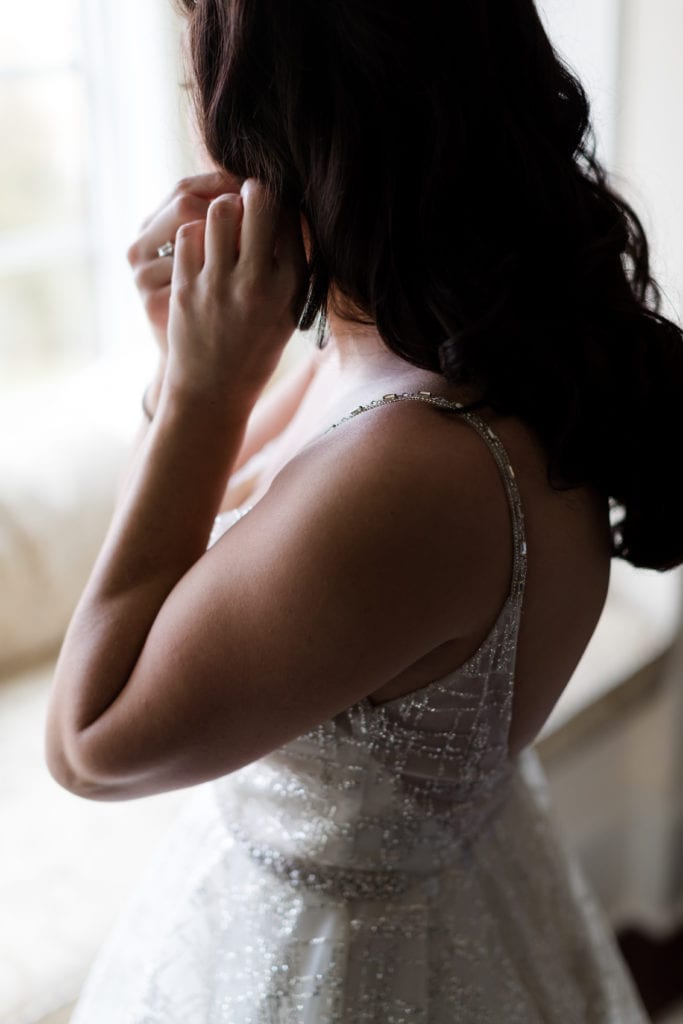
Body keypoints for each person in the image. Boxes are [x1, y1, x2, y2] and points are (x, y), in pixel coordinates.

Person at [46, 0, 683, 1019]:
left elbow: (89, 740)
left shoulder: (414, 469)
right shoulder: (432, 349)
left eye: (200, 98)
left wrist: (202, 399)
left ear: (293, 124)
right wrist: (181, 372)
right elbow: (177, 562)